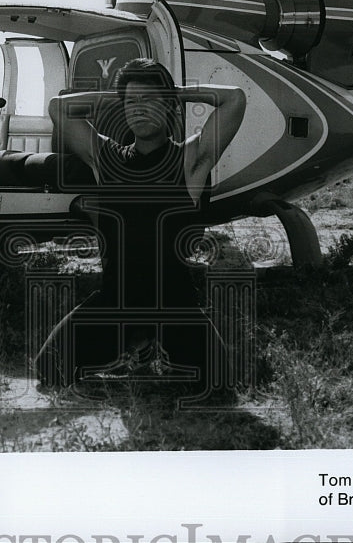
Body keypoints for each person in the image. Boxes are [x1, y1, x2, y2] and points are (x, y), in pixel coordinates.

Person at [36, 59, 246, 392]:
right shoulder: (106, 158)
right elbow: (58, 109)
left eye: (149, 100)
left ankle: (151, 348)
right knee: (48, 369)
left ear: (169, 106)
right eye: (131, 103)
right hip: (115, 302)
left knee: (220, 384)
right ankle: (134, 347)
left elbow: (234, 99)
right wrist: (120, 97)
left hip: (174, 305)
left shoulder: (190, 160)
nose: (139, 109)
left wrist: (174, 92)